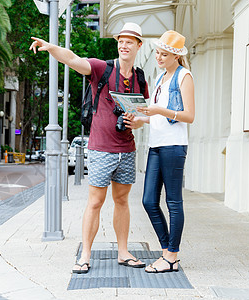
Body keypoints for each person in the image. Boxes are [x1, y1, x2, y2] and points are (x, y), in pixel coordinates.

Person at [30, 22, 150, 274]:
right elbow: (73, 59)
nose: (124, 44)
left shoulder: (139, 77)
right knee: (95, 202)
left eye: (130, 41)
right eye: (121, 40)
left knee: (122, 200)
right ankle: (85, 255)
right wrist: (51, 47)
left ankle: (123, 252)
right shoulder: (101, 68)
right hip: (101, 148)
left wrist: (137, 122)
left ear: (139, 45)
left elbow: (141, 116)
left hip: (127, 149)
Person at [124, 30, 195, 273]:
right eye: (157, 53)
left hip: (174, 146)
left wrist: (158, 110)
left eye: (164, 54)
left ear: (176, 56)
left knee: (173, 201)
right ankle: (168, 251)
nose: (159, 57)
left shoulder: (184, 76)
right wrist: (139, 119)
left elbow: (189, 116)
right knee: (148, 201)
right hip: (156, 144)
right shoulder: (159, 78)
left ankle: (171, 256)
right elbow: (155, 115)